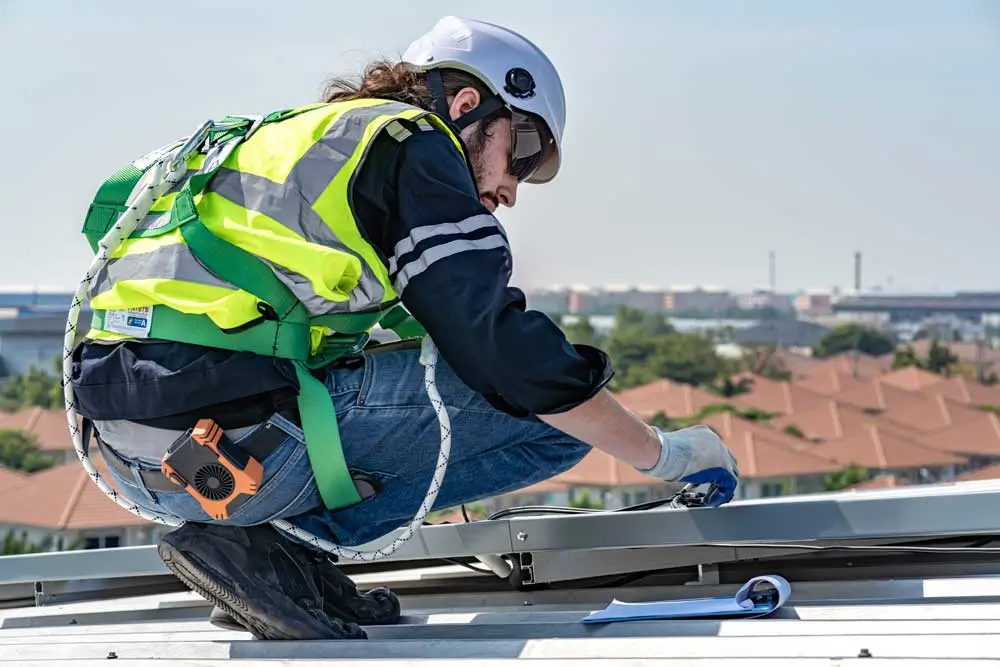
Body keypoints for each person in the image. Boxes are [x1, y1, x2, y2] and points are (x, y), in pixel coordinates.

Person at [70, 16, 740, 640]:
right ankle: (265, 548)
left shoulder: (305, 143)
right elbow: (501, 350)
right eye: (525, 150)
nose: (513, 189)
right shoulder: (409, 143)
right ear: (468, 104)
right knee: (549, 419)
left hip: (137, 457)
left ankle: (267, 556)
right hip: (230, 442)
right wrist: (665, 454)